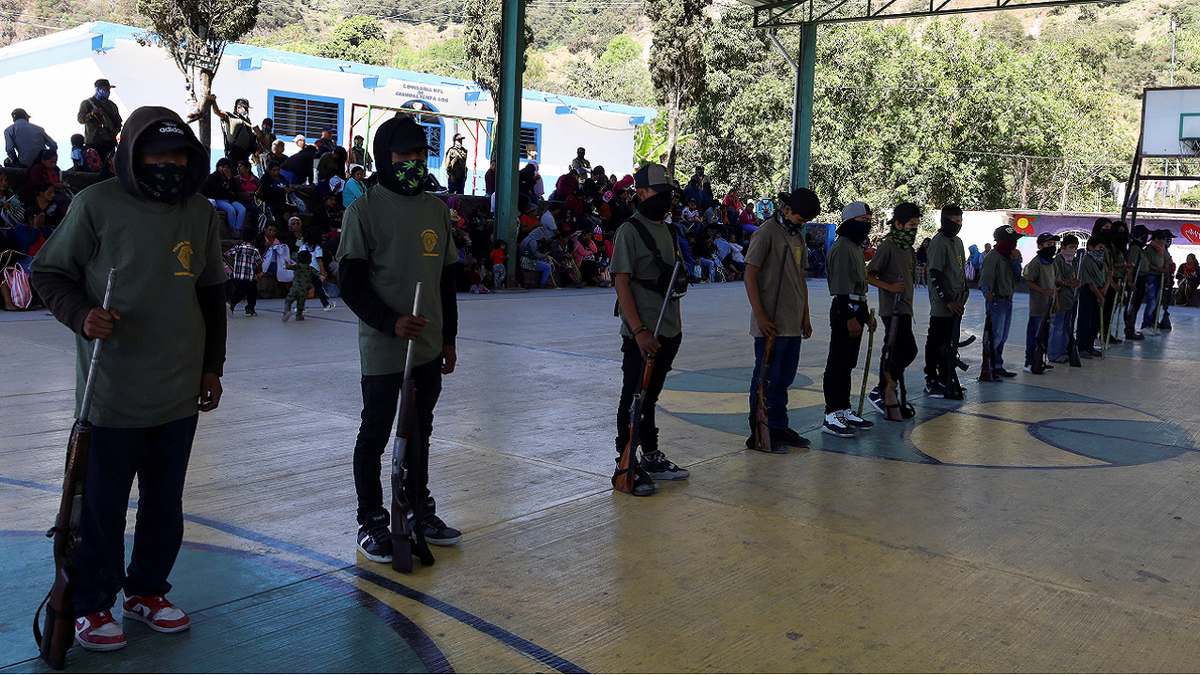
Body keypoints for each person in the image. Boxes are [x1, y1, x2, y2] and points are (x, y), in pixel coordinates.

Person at [29, 106, 225, 652]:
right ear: (131, 157)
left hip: (180, 389)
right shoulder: (96, 204)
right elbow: (49, 272)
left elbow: (210, 293)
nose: (169, 166)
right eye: (156, 157)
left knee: (165, 503)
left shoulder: (200, 211)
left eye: (179, 156)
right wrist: (81, 315)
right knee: (101, 507)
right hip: (111, 393)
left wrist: (213, 366)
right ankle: (91, 603)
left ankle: (146, 592)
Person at [337, 115, 462, 564]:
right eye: (402, 156)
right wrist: (390, 322)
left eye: (419, 155)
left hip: (427, 347)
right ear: (384, 157)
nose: (411, 163)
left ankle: (415, 509)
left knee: (419, 431)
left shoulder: (436, 210)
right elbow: (349, 283)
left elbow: (446, 281)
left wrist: (449, 338)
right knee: (376, 431)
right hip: (385, 346)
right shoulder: (364, 210)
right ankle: (372, 519)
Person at [610, 163, 690, 495]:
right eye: (660, 194)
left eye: (670, 195)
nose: (667, 201)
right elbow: (622, 284)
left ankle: (651, 454)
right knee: (634, 396)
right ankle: (625, 462)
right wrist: (639, 330)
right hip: (643, 333)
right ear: (641, 193)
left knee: (651, 396)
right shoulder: (629, 231)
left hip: (669, 328)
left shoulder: (669, 231)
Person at [744, 188, 819, 451]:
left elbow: (800, 277)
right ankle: (759, 430)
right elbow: (749, 275)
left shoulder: (796, 235)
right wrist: (760, 315)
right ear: (787, 211)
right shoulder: (766, 233)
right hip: (771, 322)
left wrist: (805, 315)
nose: (802, 225)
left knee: (784, 378)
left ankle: (779, 425)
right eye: (800, 220)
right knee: (766, 378)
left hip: (792, 322)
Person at [821, 202, 876, 437]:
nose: (868, 226)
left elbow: (857, 286)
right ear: (850, 222)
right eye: (864, 221)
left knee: (848, 363)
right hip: (845, 310)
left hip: (856, 307)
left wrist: (864, 314)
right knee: (837, 362)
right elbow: (841, 289)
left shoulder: (855, 246)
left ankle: (844, 408)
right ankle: (831, 413)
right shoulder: (843, 247)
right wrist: (851, 317)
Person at [866, 204, 920, 421]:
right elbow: (868, 275)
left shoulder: (910, 250)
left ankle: (887, 387)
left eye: (916, 225)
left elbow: (911, 281)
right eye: (911, 225)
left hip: (905, 308)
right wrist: (889, 288)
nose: (914, 229)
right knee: (898, 350)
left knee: (902, 351)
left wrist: (910, 302)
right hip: (892, 309)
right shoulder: (887, 246)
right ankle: (884, 389)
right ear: (898, 224)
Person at [923, 205, 968, 399]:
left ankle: (946, 376)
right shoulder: (938, 242)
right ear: (945, 220)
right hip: (943, 304)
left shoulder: (957, 242)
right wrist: (948, 300)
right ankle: (931, 381)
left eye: (960, 221)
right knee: (936, 342)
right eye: (955, 221)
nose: (958, 225)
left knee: (950, 343)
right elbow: (935, 274)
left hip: (957, 301)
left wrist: (963, 292)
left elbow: (960, 270)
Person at [979, 225, 1021, 378]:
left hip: (1007, 300)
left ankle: (997, 365)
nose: (1014, 245)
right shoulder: (993, 256)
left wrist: (1018, 261)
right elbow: (986, 276)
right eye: (1011, 241)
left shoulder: (1008, 257)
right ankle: (988, 367)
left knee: (1002, 336)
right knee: (993, 336)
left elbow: (1016, 276)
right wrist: (986, 292)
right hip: (996, 300)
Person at [1022, 232, 1060, 374]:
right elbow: (1030, 283)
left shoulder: (1052, 263)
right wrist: (1044, 291)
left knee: (1045, 335)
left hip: (1049, 306)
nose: (1052, 247)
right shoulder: (1035, 263)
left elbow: (1054, 283)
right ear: (1040, 246)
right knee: (1034, 335)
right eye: (1049, 245)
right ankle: (1029, 361)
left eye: (1053, 244)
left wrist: (1056, 300)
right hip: (1038, 306)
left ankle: (1041, 361)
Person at [1048, 234, 1081, 364]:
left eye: (1075, 247)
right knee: (1058, 328)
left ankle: (1063, 351)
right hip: (1060, 299)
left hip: (1071, 299)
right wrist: (1070, 283)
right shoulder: (1058, 261)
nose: (1073, 250)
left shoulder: (1076, 260)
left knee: (1068, 328)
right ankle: (1054, 354)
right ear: (1063, 247)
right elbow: (1056, 280)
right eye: (1071, 247)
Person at [76, 79, 123, 162]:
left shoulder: (112, 105)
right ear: (98, 89)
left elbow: (118, 122)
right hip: (93, 142)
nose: (108, 92)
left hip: (109, 141)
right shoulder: (87, 103)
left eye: (109, 90)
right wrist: (91, 114)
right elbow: (81, 119)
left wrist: (115, 131)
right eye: (106, 89)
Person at [1077, 236, 1108, 357]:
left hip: (1100, 291)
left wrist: (1104, 291)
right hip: (1089, 292)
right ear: (1091, 247)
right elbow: (1089, 281)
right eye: (1100, 248)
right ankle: (1082, 347)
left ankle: (1090, 346)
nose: (1101, 250)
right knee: (1085, 320)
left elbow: (1106, 277)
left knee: (1095, 321)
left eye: (1103, 248)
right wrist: (1099, 295)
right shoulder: (1086, 260)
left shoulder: (1101, 261)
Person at [201, 158, 247, 236]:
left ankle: (238, 229)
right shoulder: (212, 178)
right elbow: (217, 190)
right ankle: (233, 229)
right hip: (219, 200)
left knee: (242, 209)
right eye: (222, 167)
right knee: (231, 210)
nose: (225, 169)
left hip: (230, 200)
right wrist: (227, 191)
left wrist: (229, 179)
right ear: (218, 167)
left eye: (227, 167)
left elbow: (235, 190)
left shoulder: (230, 178)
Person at [225, 229, 263, 317]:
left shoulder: (237, 247)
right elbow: (258, 263)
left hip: (237, 275)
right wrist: (259, 272)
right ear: (254, 239)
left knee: (239, 291)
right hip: (250, 277)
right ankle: (249, 309)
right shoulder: (254, 250)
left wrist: (233, 263)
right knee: (252, 293)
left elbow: (227, 255)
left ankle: (231, 304)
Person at [1141, 229, 1171, 333]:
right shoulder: (1149, 249)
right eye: (1160, 239)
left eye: (1163, 239)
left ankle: (1153, 322)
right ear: (1154, 239)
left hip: (1161, 277)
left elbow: (1168, 260)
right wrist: (1159, 269)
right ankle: (1146, 324)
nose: (1162, 241)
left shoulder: (1164, 250)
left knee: (1157, 302)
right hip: (1151, 277)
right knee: (1152, 302)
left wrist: (1169, 265)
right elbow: (1146, 264)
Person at [211, 96, 256, 165]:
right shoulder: (230, 117)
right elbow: (217, 112)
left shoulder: (247, 121)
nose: (246, 110)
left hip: (245, 154)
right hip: (234, 153)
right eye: (244, 107)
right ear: (238, 107)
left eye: (247, 108)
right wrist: (213, 102)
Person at [281, 250, 322, 322]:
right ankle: (299, 315)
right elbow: (317, 273)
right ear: (310, 261)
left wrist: (287, 266)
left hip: (295, 288)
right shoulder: (310, 268)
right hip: (305, 290)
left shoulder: (298, 266)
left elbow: (290, 267)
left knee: (288, 300)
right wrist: (322, 276)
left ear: (297, 260)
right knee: (301, 303)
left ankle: (287, 311)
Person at [1124, 224, 1149, 341]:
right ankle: (1129, 329)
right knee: (1132, 305)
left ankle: (1132, 328)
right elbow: (1131, 266)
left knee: (1137, 305)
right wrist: (1130, 281)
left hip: (1141, 278)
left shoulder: (1140, 248)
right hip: (1136, 278)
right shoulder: (1135, 248)